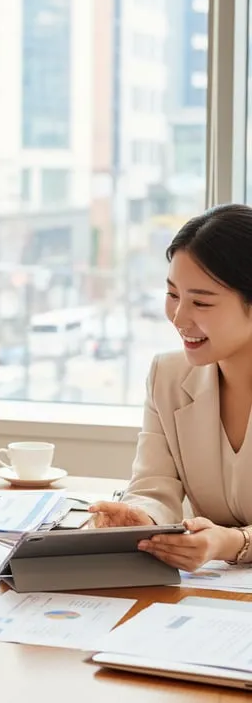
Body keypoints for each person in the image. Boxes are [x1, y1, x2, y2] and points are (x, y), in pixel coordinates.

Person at [90, 204, 252, 571]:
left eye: (201, 302)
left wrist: (232, 543)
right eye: (173, 294)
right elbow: (153, 486)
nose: (179, 317)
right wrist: (141, 519)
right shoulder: (169, 375)